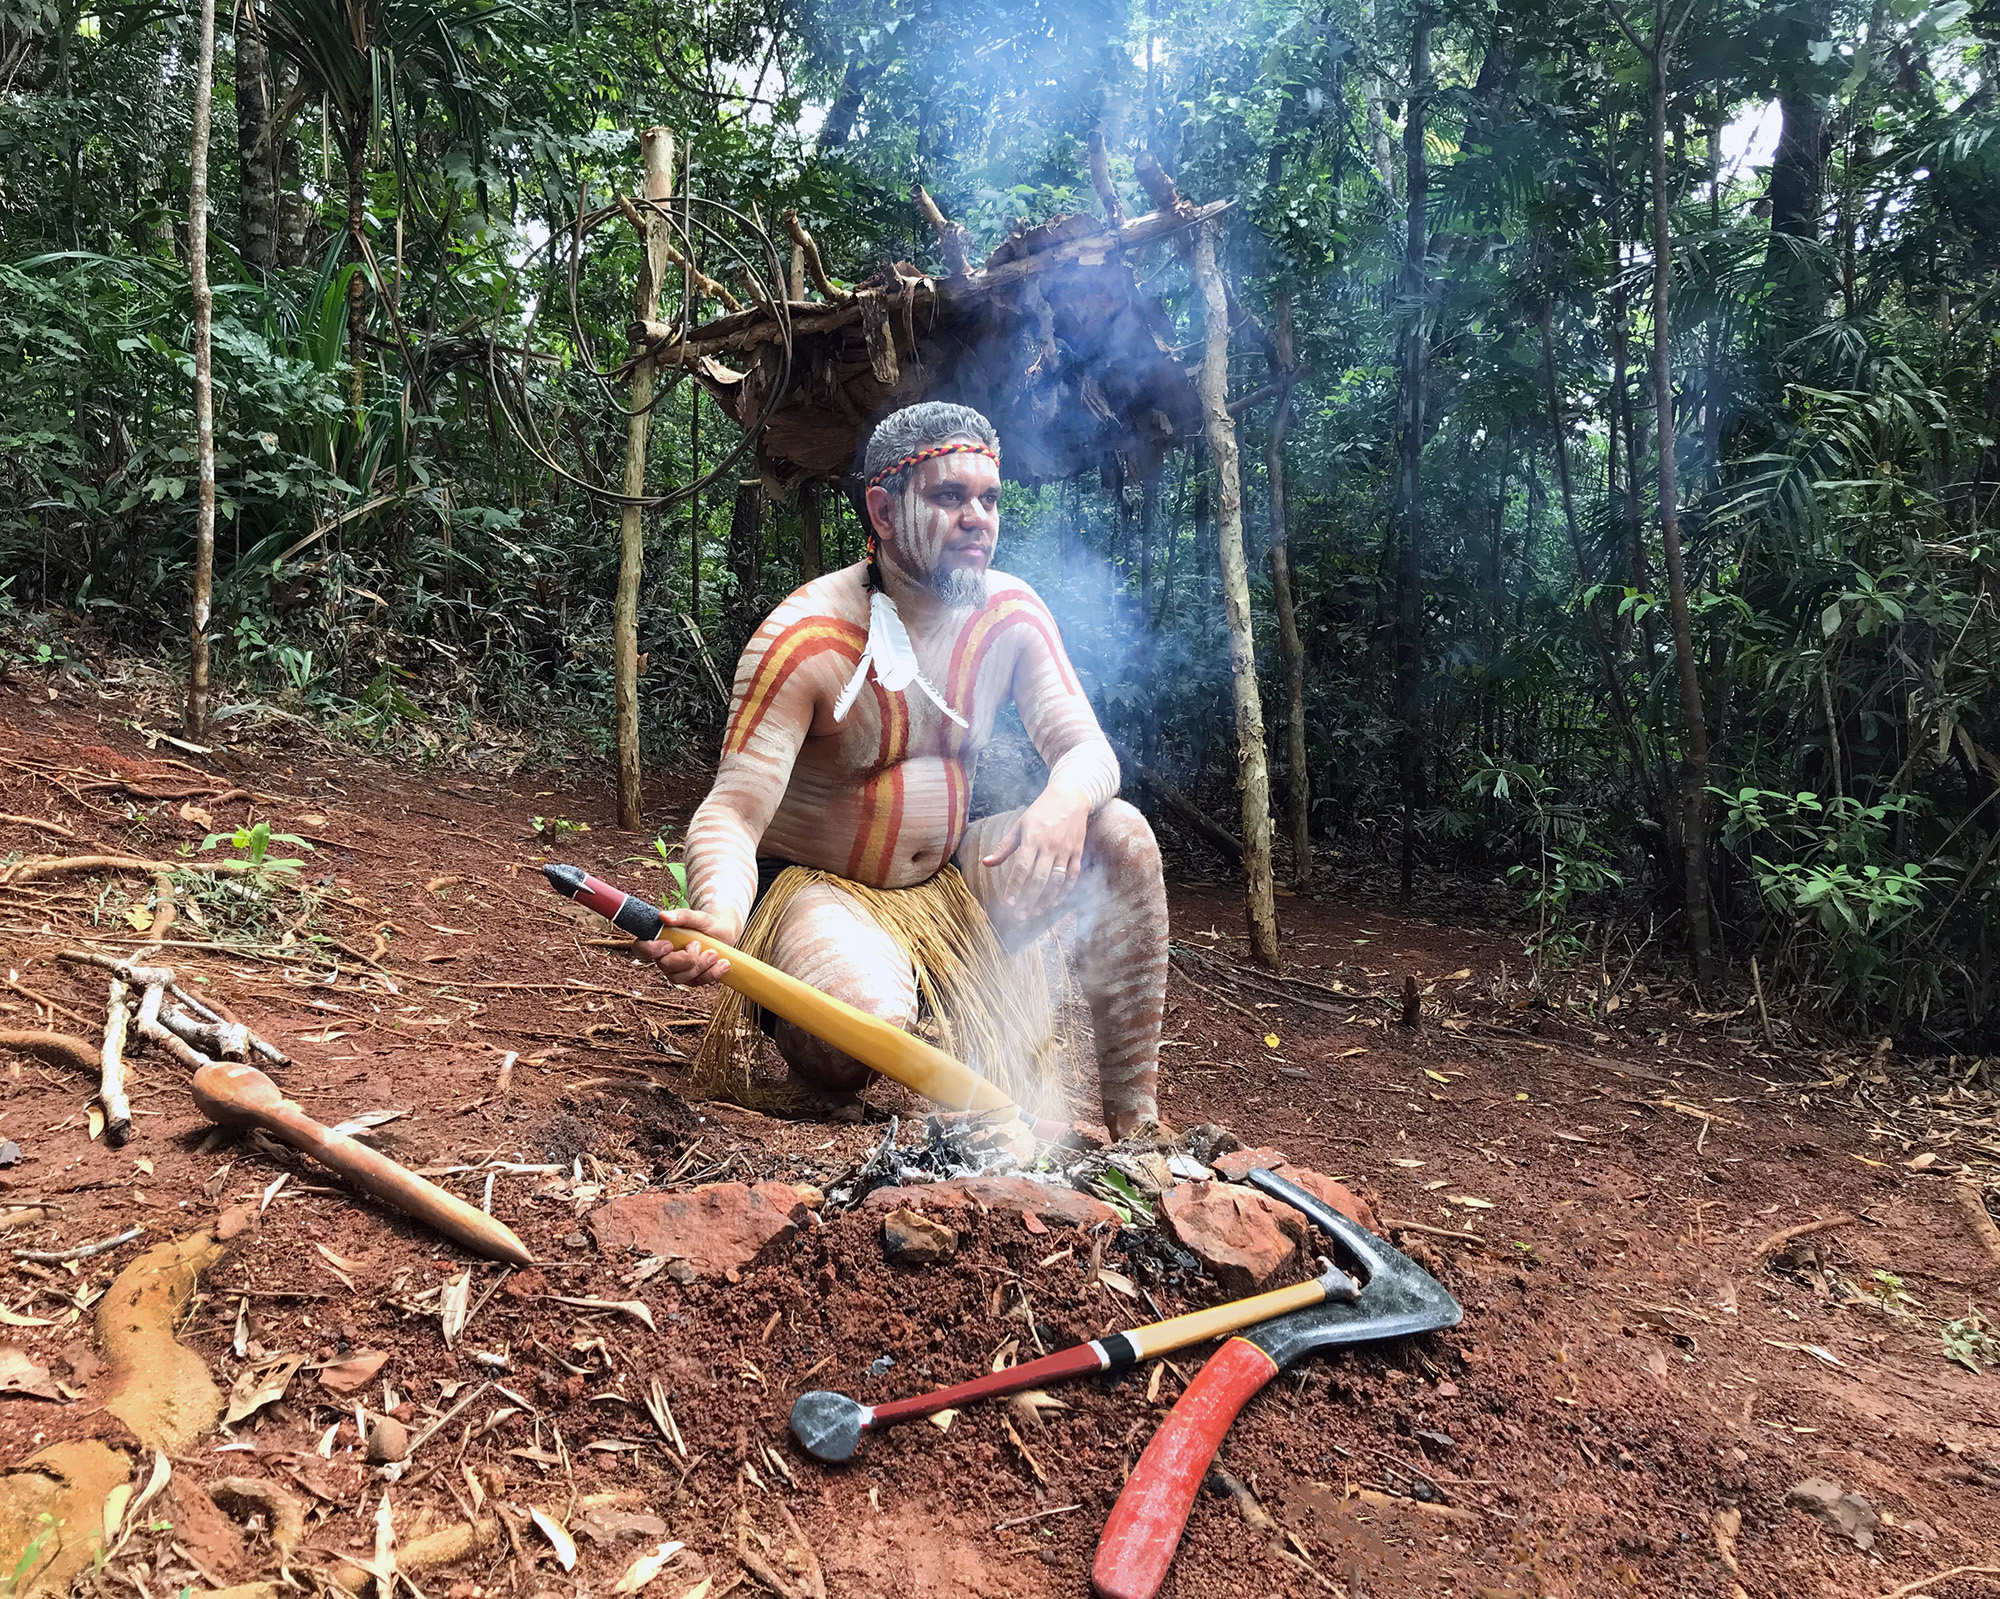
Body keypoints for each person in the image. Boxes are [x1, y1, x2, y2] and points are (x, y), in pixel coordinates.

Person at [635, 401, 1167, 1139]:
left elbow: (1088, 751)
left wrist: (1063, 801)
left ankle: (1135, 1124)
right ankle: (825, 1011)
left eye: (989, 498)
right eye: (950, 497)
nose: (978, 517)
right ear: (883, 512)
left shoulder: (1010, 615)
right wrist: (722, 915)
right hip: (825, 897)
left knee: (1122, 835)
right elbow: (732, 810)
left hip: (952, 890)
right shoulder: (806, 636)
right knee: (863, 1028)